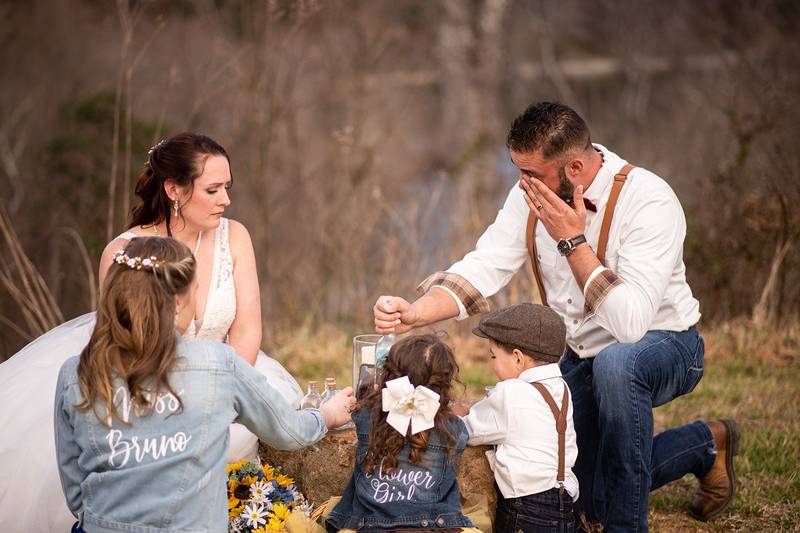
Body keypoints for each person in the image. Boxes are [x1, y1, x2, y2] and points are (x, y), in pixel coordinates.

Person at [373, 102, 739, 531]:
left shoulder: (650, 200)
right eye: (518, 171)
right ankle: (703, 445)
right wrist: (417, 312)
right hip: (580, 359)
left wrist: (573, 242)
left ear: (576, 167)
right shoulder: (528, 194)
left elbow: (631, 324)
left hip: (667, 345)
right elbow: (487, 263)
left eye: (532, 174)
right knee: (569, 493)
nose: (523, 185)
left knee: (617, 366)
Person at [0, 133, 302, 532]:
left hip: (225, 372)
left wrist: (221, 394)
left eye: (228, 187)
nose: (226, 199)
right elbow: (124, 342)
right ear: (174, 189)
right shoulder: (125, 251)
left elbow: (247, 328)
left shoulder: (236, 237)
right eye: (213, 189)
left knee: (263, 425)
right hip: (137, 382)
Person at [54, 236, 356, 533]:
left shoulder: (75, 373)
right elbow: (288, 431)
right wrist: (327, 415)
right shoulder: (217, 364)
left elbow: (76, 490)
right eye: (196, 291)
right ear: (177, 302)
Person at [325, 334, 479, 533]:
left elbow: (360, 403)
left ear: (389, 375)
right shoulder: (454, 429)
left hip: (369, 526)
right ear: (444, 385)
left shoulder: (365, 417)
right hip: (433, 527)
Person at [461, 303, 577, 533]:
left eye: (493, 356)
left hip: (525, 509)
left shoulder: (510, 393)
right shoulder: (562, 389)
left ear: (518, 358)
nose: (491, 364)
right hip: (564, 506)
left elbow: (468, 431)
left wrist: (458, 415)